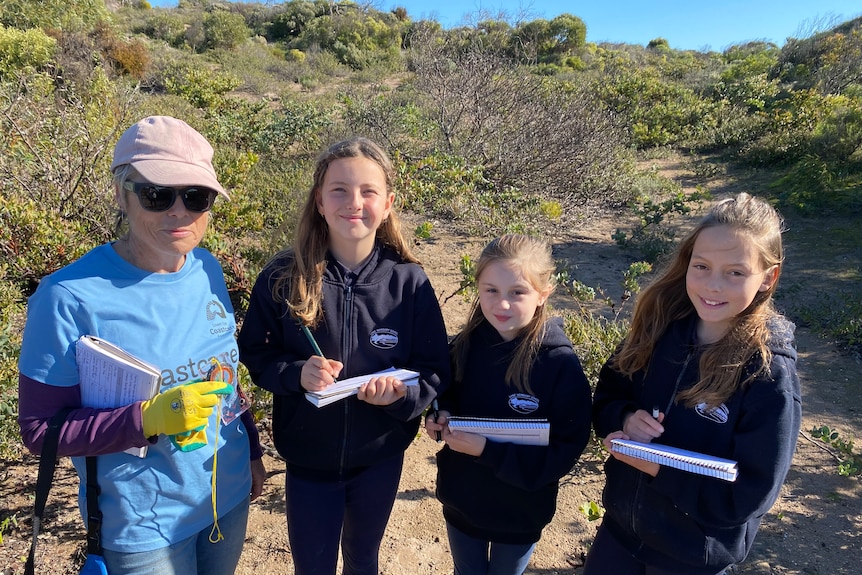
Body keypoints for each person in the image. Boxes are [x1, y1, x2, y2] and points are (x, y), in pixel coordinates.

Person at [18, 115, 266, 575]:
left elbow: (224, 377)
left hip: (225, 497)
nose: (179, 212)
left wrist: (250, 449)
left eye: (196, 197)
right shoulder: (67, 296)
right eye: (157, 194)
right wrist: (145, 419)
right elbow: (39, 430)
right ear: (121, 193)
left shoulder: (208, 269)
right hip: (142, 526)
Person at [237, 136, 450, 575]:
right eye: (339, 190)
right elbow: (256, 354)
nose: (354, 202)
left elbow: (433, 370)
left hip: (380, 457)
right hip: (308, 462)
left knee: (362, 559)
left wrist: (399, 398)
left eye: (368, 191)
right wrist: (297, 373)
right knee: (312, 566)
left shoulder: (409, 283)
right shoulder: (283, 276)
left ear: (388, 203)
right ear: (319, 200)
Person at [584, 193, 802, 575]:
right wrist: (624, 416)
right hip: (621, 531)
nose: (713, 285)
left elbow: (749, 494)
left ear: (769, 277)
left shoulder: (766, 373)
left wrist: (658, 469)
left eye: (735, 272)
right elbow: (608, 394)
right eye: (701, 266)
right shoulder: (658, 329)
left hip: (691, 554)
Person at [424, 234, 593, 575]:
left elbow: (564, 448)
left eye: (517, 292)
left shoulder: (559, 364)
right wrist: (438, 415)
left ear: (543, 294)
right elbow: (447, 395)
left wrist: (486, 450)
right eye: (491, 291)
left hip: (521, 510)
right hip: (463, 500)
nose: (502, 305)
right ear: (478, 288)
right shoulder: (464, 347)